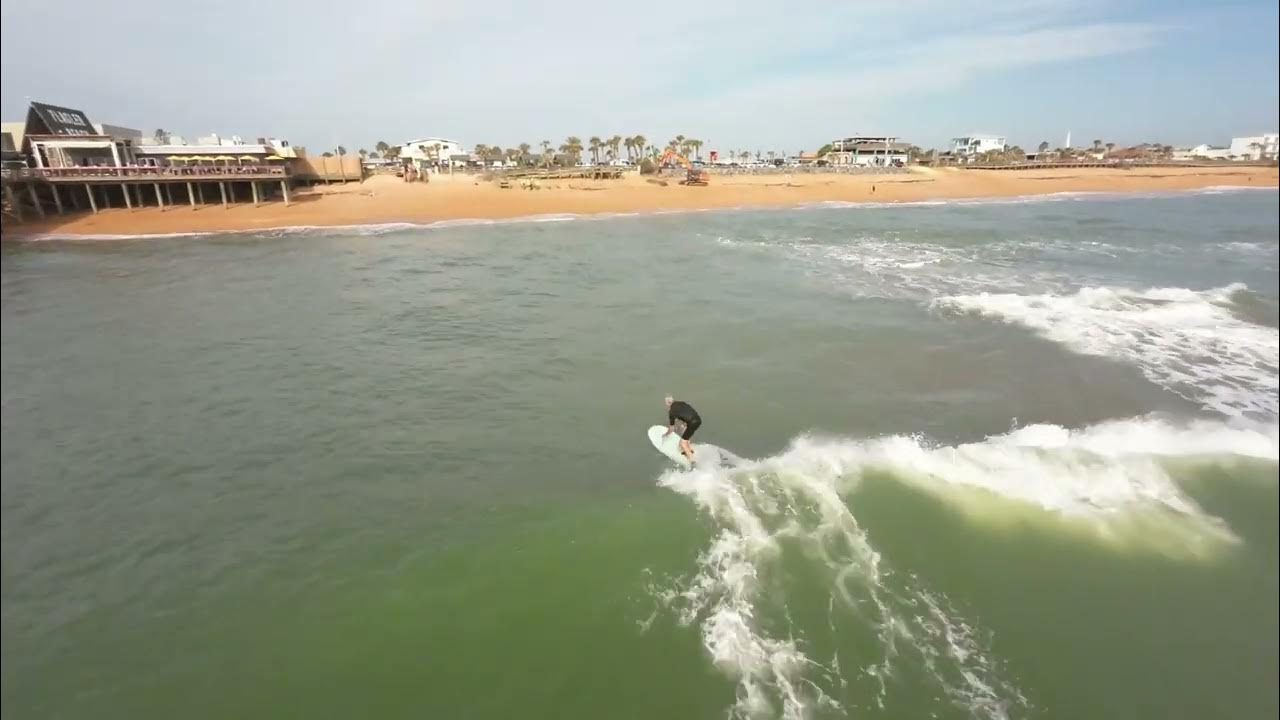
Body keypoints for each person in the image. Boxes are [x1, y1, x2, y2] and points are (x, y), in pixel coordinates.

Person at [663, 395, 701, 463]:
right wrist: (684, 424)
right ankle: (689, 450)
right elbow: (687, 412)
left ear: (667, 404)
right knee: (685, 431)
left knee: (682, 443)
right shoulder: (682, 403)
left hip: (691, 423)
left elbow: (671, 428)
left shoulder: (671, 411)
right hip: (698, 420)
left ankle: (692, 461)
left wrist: (666, 434)